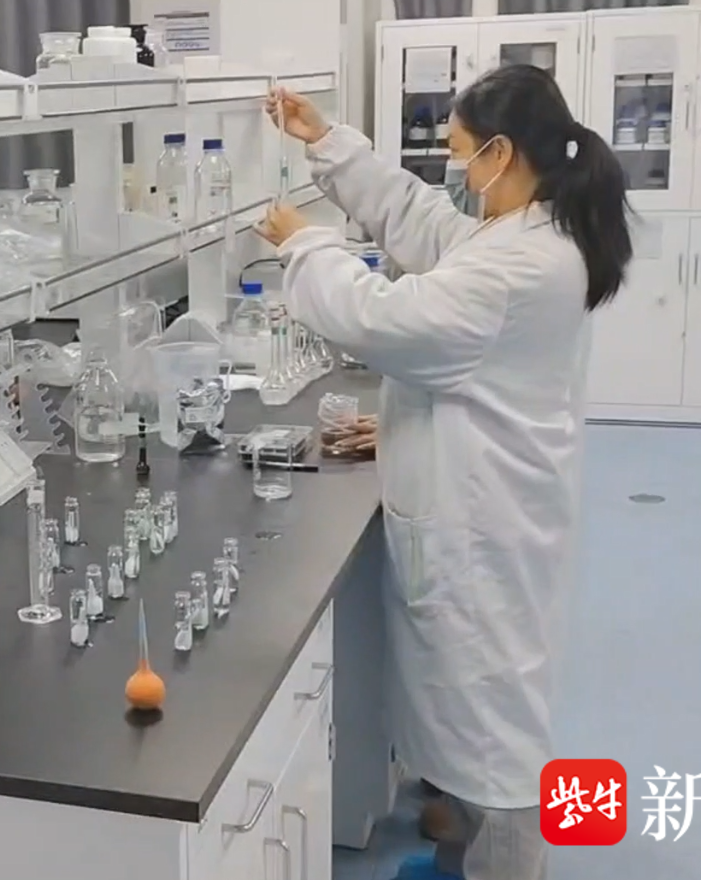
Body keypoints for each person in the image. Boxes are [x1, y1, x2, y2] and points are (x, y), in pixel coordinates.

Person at [259, 65, 631, 880]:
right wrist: (326, 141)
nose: (455, 169)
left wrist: (305, 245)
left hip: (484, 516)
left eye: (461, 152)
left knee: (492, 726)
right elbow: (419, 221)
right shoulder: (524, 229)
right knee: (472, 702)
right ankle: (459, 837)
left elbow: (381, 320)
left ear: (501, 153)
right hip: (486, 480)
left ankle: (506, 864)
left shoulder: (519, 266)